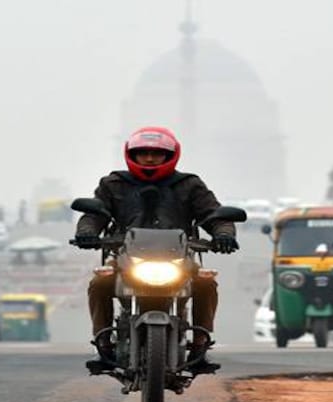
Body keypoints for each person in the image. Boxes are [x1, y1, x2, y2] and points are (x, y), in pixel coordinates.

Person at [72, 126, 239, 375]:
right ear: (132, 154)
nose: (149, 158)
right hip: (126, 256)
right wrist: (87, 232)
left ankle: (201, 346)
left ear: (170, 155)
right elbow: (94, 215)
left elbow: (214, 215)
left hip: (178, 257)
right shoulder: (114, 183)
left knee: (206, 283)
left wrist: (224, 234)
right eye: (143, 153)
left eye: (157, 153)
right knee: (99, 283)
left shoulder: (189, 184)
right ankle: (103, 345)